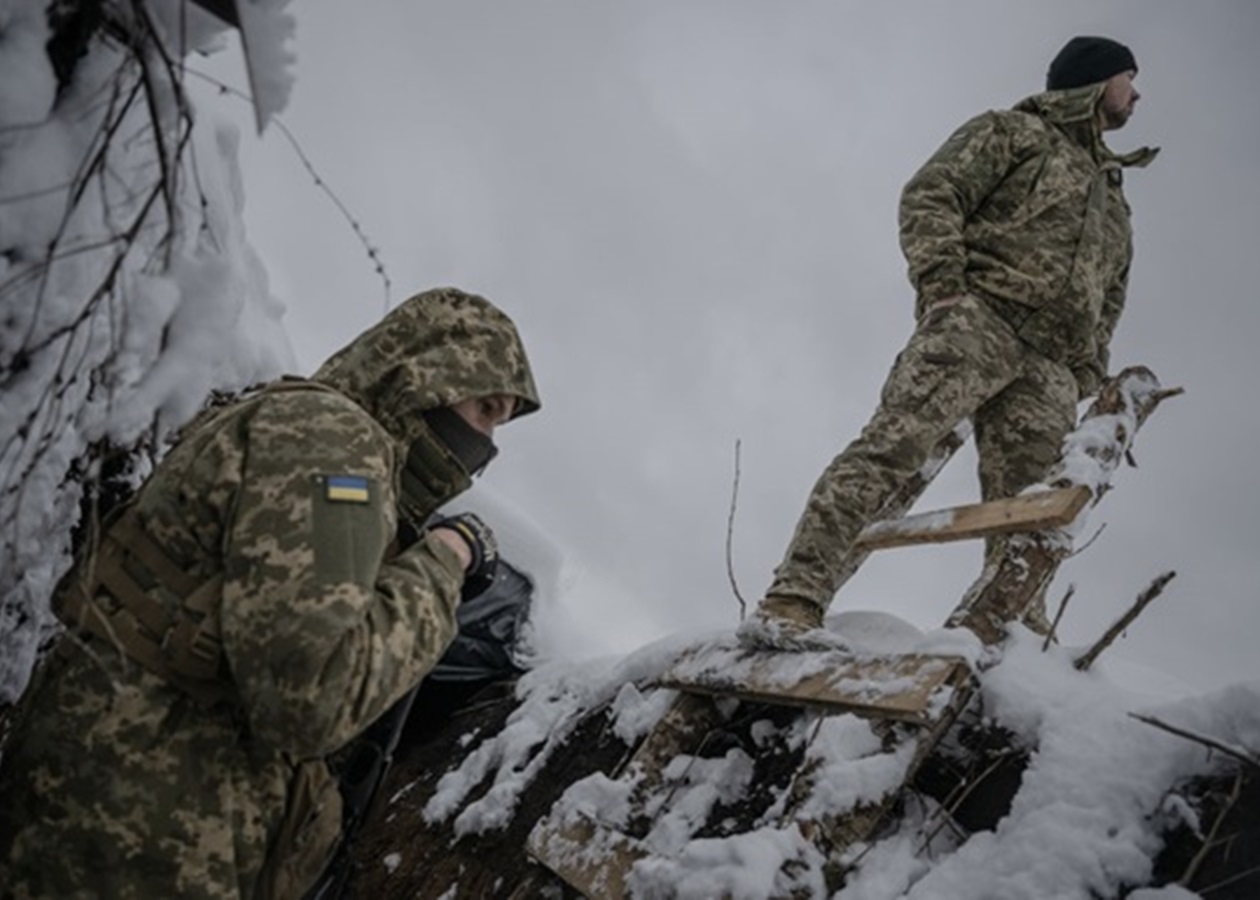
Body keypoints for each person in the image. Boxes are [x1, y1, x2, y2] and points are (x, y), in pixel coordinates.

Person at [0, 287, 541, 899]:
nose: (486, 442)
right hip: (138, 836)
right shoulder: (337, 443)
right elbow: (311, 697)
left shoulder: (304, 426)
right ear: (431, 374)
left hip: (109, 810)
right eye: (485, 408)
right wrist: (445, 561)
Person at [739, 36, 1158, 648]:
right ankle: (794, 598)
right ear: (1095, 82)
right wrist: (944, 288)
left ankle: (1010, 641)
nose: (1137, 93)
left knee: (1032, 508)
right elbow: (932, 192)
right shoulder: (1013, 132)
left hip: (1050, 367)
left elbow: (1112, 293)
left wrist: (1088, 369)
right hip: (977, 322)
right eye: (1129, 77)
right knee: (891, 453)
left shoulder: (1115, 198)